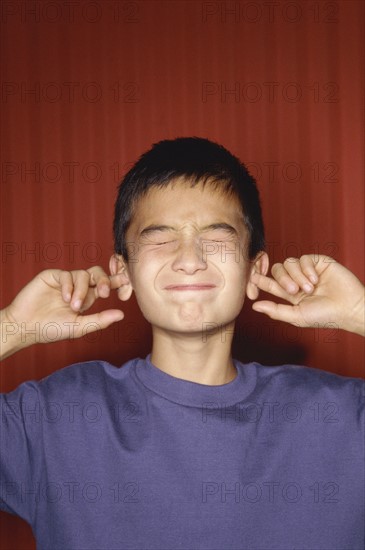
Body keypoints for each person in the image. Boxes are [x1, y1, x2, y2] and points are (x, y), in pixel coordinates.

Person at [0, 137, 364, 550]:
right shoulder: (53, 419)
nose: (189, 259)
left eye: (216, 236)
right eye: (161, 237)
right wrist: (12, 327)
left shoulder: (341, 417)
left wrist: (358, 311)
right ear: (124, 271)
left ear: (253, 269)